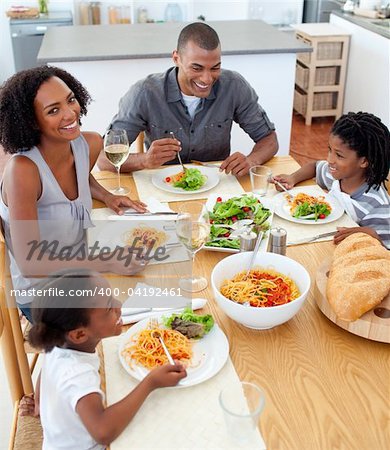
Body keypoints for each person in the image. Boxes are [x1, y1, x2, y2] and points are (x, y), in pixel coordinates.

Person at [0, 66, 148, 322]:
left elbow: (79, 176)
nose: (70, 113)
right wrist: (108, 261)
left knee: (163, 296)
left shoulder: (88, 144)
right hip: (43, 292)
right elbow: (30, 263)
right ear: (31, 121)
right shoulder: (23, 171)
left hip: (81, 268)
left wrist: (106, 195)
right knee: (130, 321)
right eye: (53, 110)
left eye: (71, 99)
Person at [24, 269, 186, 449]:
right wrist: (151, 383)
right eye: (109, 308)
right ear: (79, 334)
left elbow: (44, 375)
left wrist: (40, 403)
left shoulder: (56, 342)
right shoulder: (77, 374)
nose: (119, 305)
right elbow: (103, 432)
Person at [98, 22, 278, 176]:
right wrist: (144, 160)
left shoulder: (234, 86)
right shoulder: (144, 93)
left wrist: (252, 160)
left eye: (215, 68)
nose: (207, 79)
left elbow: (269, 139)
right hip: (161, 189)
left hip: (217, 190)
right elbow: (103, 159)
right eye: (197, 68)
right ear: (176, 58)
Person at [273, 112, 390, 248]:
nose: (329, 160)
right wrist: (292, 178)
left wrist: (370, 234)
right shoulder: (335, 175)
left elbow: (385, 252)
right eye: (330, 150)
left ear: (364, 161)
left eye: (339, 155)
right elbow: (315, 167)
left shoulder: (377, 205)